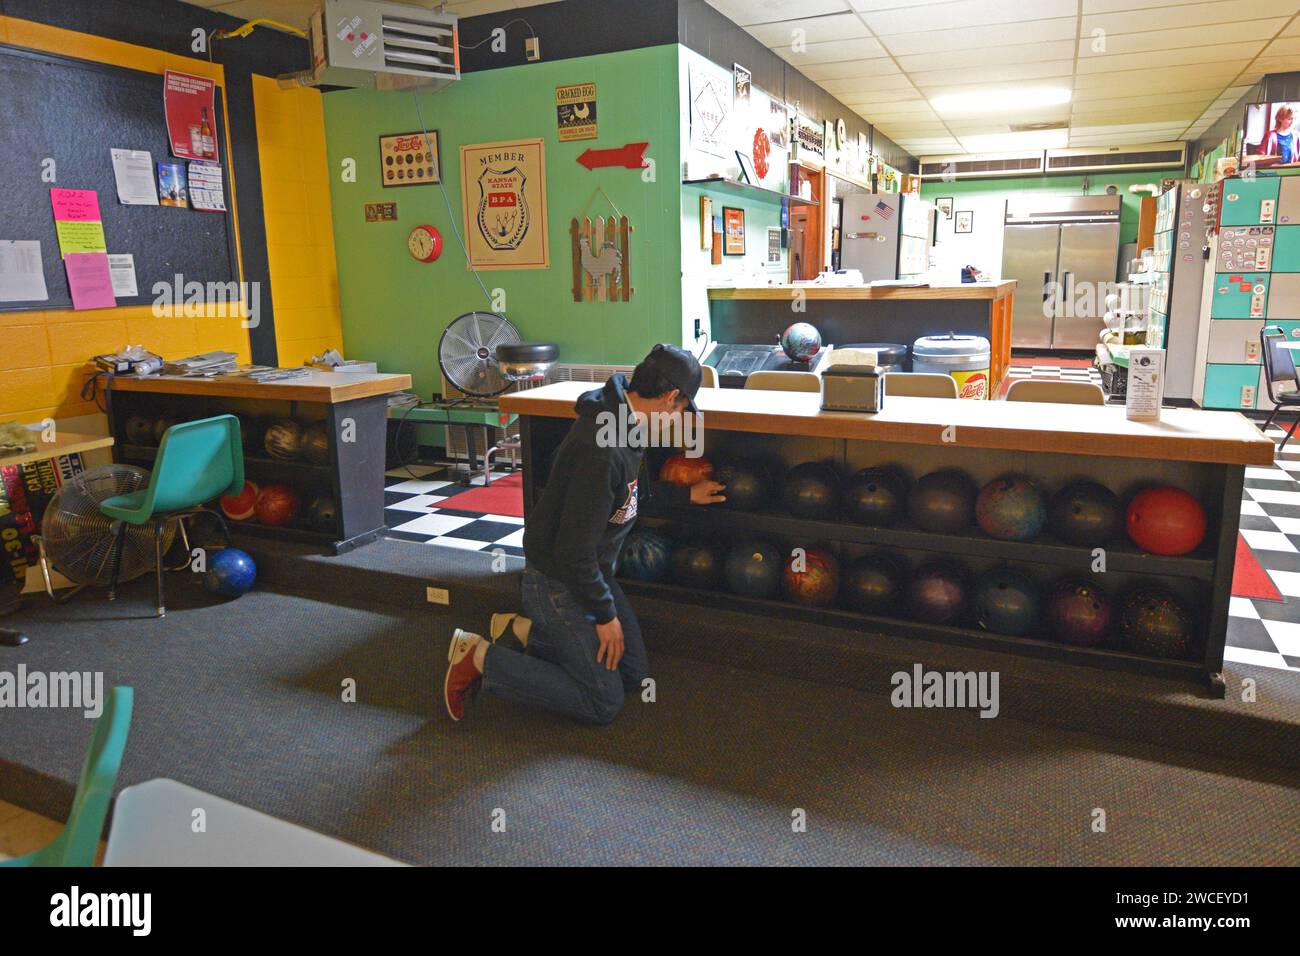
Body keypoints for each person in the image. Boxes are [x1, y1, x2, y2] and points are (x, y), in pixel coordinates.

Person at [444, 344, 725, 724]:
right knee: (603, 702)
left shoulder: (626, 422)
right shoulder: (602, 447)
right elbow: (572, 552)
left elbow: (630, 491)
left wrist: (684, 493)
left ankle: (533, 635)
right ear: (671, 397)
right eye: (680, 409)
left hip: (592, 574)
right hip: (559, 581)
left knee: (633, 674)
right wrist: (604, 616)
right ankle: (478, 656)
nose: (678, 419)